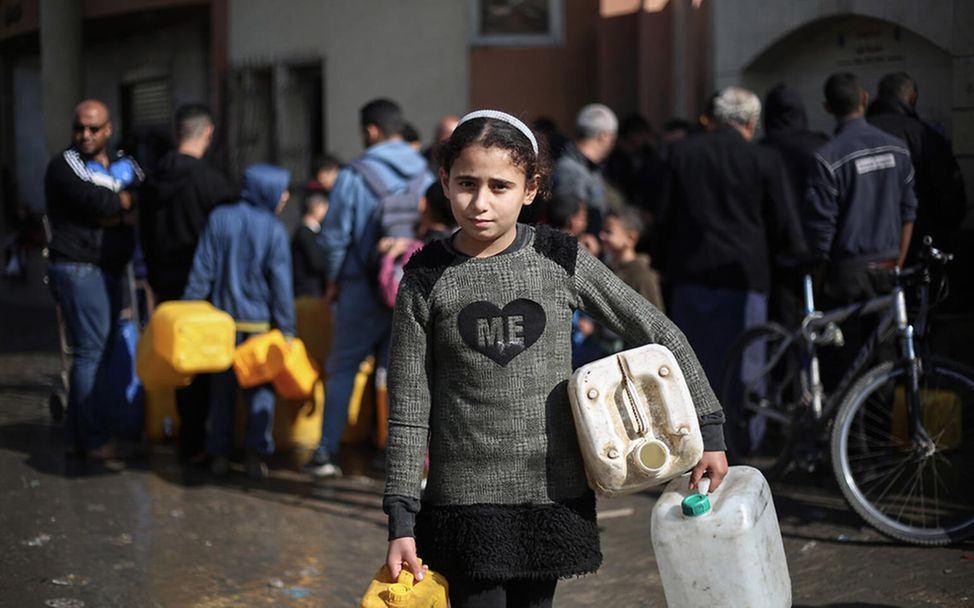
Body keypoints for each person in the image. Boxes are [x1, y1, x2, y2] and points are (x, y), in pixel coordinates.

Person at [382, 110, 728, 608]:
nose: (480, 202)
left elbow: (656, 330)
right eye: (466, 183)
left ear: (531, 188)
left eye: (500, 186)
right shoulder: (425, 276)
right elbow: (409, 410)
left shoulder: (558, 258)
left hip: (550, 495)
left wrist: (708, 429)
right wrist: (401, 518)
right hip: (462, 503)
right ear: (444, 181)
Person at [307, 98, 431, 478]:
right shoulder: (424, 174)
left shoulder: (353, 177)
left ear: (372, 130)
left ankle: (326, 453)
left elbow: (332, 239)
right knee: (400, 375)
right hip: (407, 287)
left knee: (343, 368)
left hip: (360, 288)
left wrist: (336, 279)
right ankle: (394, 455)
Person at [654, 86, 805, 388]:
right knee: (746, 374)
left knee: (693, 374)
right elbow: (785, 225)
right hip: (746, 280)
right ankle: (745, 436)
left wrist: (663, 265)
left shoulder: (682, 153)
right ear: (752, 123)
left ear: (715, 118)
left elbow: (663, 217)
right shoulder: (764, 159)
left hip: (691, 277)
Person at [182, 163, 295, 481]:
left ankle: (218, 453)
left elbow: (201, 271)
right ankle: (256, 456)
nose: (285, 196)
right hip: (259, 331)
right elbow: (281, 284)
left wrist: (190, 313)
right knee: (260, 394)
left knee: (221, 393)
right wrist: (286, 328)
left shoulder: (220, 218)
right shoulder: (273, 228)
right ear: (266, 190)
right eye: (281, 190)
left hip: (220, 330)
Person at [804, 73, 917, 386]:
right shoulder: (898, 150)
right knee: (886, 362)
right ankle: (880, 432)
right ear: (865, 99)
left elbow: (821, 228)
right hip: (889, 270)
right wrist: (899, 262)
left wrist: (820, 273)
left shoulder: (827, 158)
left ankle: (851, 433)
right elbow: (909, 212)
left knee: (847, 367)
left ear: (828, 107)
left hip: (847, 276)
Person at [140, 103, 237, 463]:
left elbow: (145, 235)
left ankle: (189, 439)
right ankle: (210, 441)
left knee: (180, 361)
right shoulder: (212, 183)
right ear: (208, 133)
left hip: (165, 281)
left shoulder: (151, 180)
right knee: (207, 360)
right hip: (204, 286)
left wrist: (152, 278)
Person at [45, 99, 140, 460]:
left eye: (93, 128)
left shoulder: (123, 162)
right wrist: (120, 208)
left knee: (100, 352)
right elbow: (97, 203)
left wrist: (121, 208)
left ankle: (80, 434)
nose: (85, 135)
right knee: (89, 354)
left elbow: (141, 193)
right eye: (79, 128)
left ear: (108, 129)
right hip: (79, 268)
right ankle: (94, 439)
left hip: (108, 268)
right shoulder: (65, 164)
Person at [867, 72, 967, 261]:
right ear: (912, 97)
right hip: (920, 242)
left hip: (867, 248)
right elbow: (950, 195)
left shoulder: (853, 137)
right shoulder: (925, 136)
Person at [759, 83, 826, 329]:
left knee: (782, 323)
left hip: (777, 251)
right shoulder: (820, 144)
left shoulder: (762, 150)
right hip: (818, 245)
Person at [552, 103, 618, 233]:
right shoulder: (570, 170)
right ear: (604, 136)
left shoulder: (592, 168)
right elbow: (568, 222)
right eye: (613, 138)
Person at [600, 207, 664, 313]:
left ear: (631, 238)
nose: (602, 236)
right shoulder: (607, 268)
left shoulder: (643, 277)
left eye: (608, 232)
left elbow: (656, 320)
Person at [291, 189, 329, 298]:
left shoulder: (310, 232)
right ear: (316, 208)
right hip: (308, 292)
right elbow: (317, 262)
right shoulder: (305, 233)